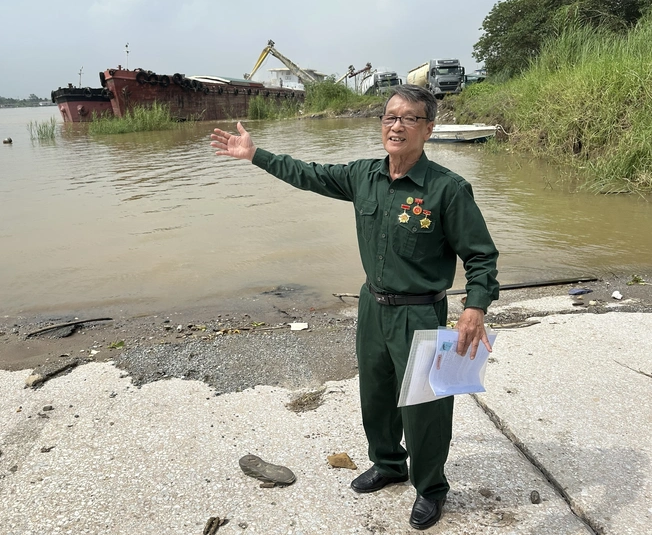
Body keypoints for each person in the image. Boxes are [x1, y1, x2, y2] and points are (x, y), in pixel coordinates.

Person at [210, 84, 499, 531]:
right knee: (376, 397)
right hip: (372, 308)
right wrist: (256, 155)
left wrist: (474, 307)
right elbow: (309, 173)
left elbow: (481, 255)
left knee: (425, 409)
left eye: (408, 118)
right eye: (389, 117)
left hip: (420, 314)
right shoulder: (363, 175)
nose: (396, 125)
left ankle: (430, 489)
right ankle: (388, 464)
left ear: (428, 129)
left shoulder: (448, 189)